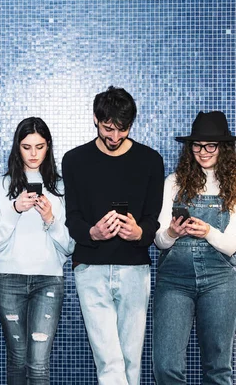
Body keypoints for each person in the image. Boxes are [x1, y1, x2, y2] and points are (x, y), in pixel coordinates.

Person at [62, 86, 164, 385]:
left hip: (134, 269)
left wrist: (139, 232)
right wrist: (93, 232)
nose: (115, 137)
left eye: (123, 129)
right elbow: (73, 219)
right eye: (109, 128)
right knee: (110, 360)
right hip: (90, 268)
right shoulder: (75, 160)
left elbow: (152, 220)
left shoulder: (150, 160)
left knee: (131, 360)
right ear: (96, 119)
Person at [0, 117, 74, 385]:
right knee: (17, 357)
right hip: (8, 280)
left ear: (48, 147)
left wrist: (50, 219)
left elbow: (70, 246)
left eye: (40, 146)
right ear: (17, 148)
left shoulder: (61, 188)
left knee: (38, 364)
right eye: (26, 147)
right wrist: (15, 210)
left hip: (48, 280)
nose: (33, 154)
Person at [153, 111, 236, 384]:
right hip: (175, 280)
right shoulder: (173, 182)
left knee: (218, 367)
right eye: (197, 145)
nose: (203, 151)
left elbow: (231, 246)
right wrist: (172, 233)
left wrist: (208, 231)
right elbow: (159, 241)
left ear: (223, 148)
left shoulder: (234, 186)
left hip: (220, 281)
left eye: (210, 145)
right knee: (166, 366)